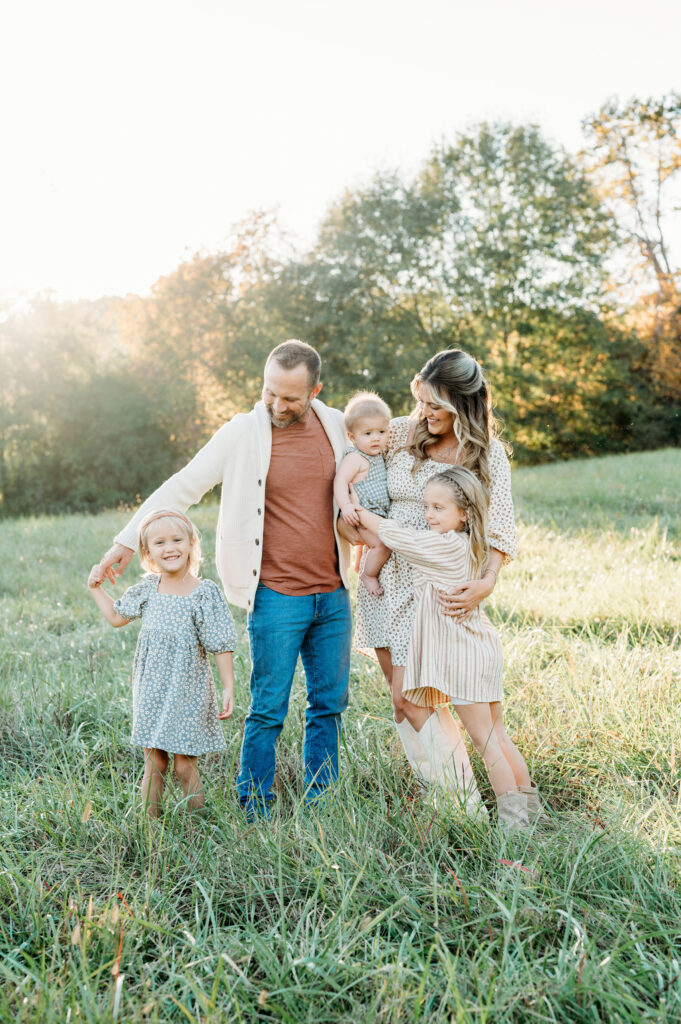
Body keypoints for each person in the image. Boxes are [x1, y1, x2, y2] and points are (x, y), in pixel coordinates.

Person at [96, 340, 352, 818]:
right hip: (276, 594)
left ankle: (322, 802)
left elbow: (388, 440)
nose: (277, 405)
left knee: (329, 705)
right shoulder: (242, 432)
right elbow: (182, 485)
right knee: (268, 708)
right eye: (270, 392)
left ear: (315, 390)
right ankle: (254, 805)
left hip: (334, 593)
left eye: (291, 398)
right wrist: (127, 541)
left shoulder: (339, 425)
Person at [354, 349, 545, 820]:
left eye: (437, 406)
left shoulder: (486, 453)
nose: (426, 414)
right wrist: (349, 511)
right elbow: (350, 442)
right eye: (421, 402)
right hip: (385, 579)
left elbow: (499, 527)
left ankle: (473, 813)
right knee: (404, 702)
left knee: (430, 696)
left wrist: (488, 582)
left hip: (439, 586)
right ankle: (453, 803)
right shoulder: (400, 431)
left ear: (465, 403)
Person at [356, 469, 533, 828]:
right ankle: (532, 813)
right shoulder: (472, 545)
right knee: (498, 735)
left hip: (462, 655)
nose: (429, 515)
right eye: (427, 506)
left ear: (465, 513)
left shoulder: (443, 545)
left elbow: (396, 536)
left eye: (439, 507)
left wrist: (355, 509)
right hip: (481, 646)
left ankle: (515, 829)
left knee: (486, 743)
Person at [88, 509, 236, 817]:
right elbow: (116, 616)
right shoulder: (147, 589)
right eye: (159, 543)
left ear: (191, 543)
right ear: (147, 552)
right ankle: (150, 830)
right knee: (155, 762)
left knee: (184, 765)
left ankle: (199, 829)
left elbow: (220, 642)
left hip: (188, 689)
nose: (170, 548)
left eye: (177, 540)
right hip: (152, 689)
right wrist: (95, 589)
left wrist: (228, 686)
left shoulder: (204, 593)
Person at [333, 391, 392, 596]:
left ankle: (360, 563)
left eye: (382, 431)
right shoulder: (355, 458)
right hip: (362, 515)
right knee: (382, 545)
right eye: (368, 434)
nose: (376, 438)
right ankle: (369, 575)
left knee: (370, 544)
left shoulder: (378, 454)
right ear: (352, 437)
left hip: (377, 513)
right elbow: (341, 481)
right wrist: (346, 506)